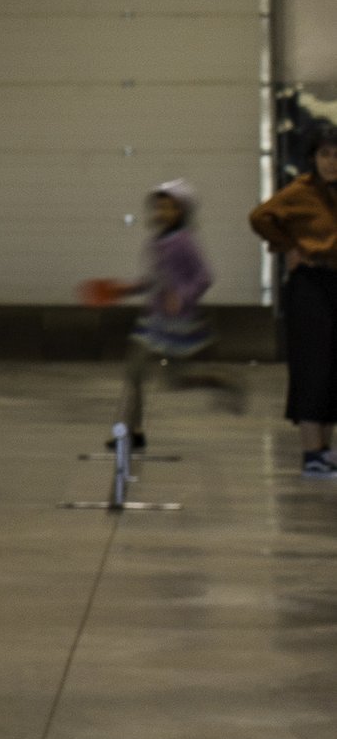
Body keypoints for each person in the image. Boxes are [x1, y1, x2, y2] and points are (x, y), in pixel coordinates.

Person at [113, 180, 232, 446]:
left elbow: (204, 276)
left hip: (180, 322)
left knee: (176, 380)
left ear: (182, 212)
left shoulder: (185, 241)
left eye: (169, 208)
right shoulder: (155, 242)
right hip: (153, 319)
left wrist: (183, 296)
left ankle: (217, 380)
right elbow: (154, 280)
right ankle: (133, 432)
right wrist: (129, 288)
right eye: (159, 207)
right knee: (134, 372)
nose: (162, 213)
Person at [251, 122, 337, 480]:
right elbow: (260, 217)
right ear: (313, 158)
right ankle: (311, 453)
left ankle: (325, 451)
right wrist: (289, 246)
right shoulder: (301, 191)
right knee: (313, 367)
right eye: (325, 154)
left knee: (333, 369)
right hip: (309, 287)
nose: (332, 162)